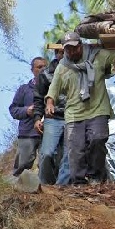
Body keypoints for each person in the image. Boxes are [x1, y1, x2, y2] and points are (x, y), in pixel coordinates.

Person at [45, 31, 115, 185]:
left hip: (97, 110)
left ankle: (96, 176)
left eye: (74, 48)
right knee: (75, 149)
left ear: (81, 45)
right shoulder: (62, 67)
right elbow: (53, 89)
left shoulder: (97, 56)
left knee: (98, 139)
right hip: (74, 114)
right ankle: (78, 181)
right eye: (68, 49)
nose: (72, 52)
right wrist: (50, 103)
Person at [33, 44, 70, 185]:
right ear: (56, 53)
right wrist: (37, 118)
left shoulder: (77, 70)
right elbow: (38, 99)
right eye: (60, 52)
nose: (63, 55)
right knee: (47, 153)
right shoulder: (45, 73)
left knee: (67, 154)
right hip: (52, 118)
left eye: (66, 52)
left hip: (72, 117)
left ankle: (63, 186)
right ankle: (45, 185)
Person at [9, 57, 47, 176]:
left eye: (45, 66)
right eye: (39, 67)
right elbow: (13, 110)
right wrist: (26, 111)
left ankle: (47, 191)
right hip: (27, 132)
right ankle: (15, 190)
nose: (42, 69)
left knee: (48, 164)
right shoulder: (24, 89)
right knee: (22, 164)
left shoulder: (53, 87)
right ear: (32, 70)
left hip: (48, 132)